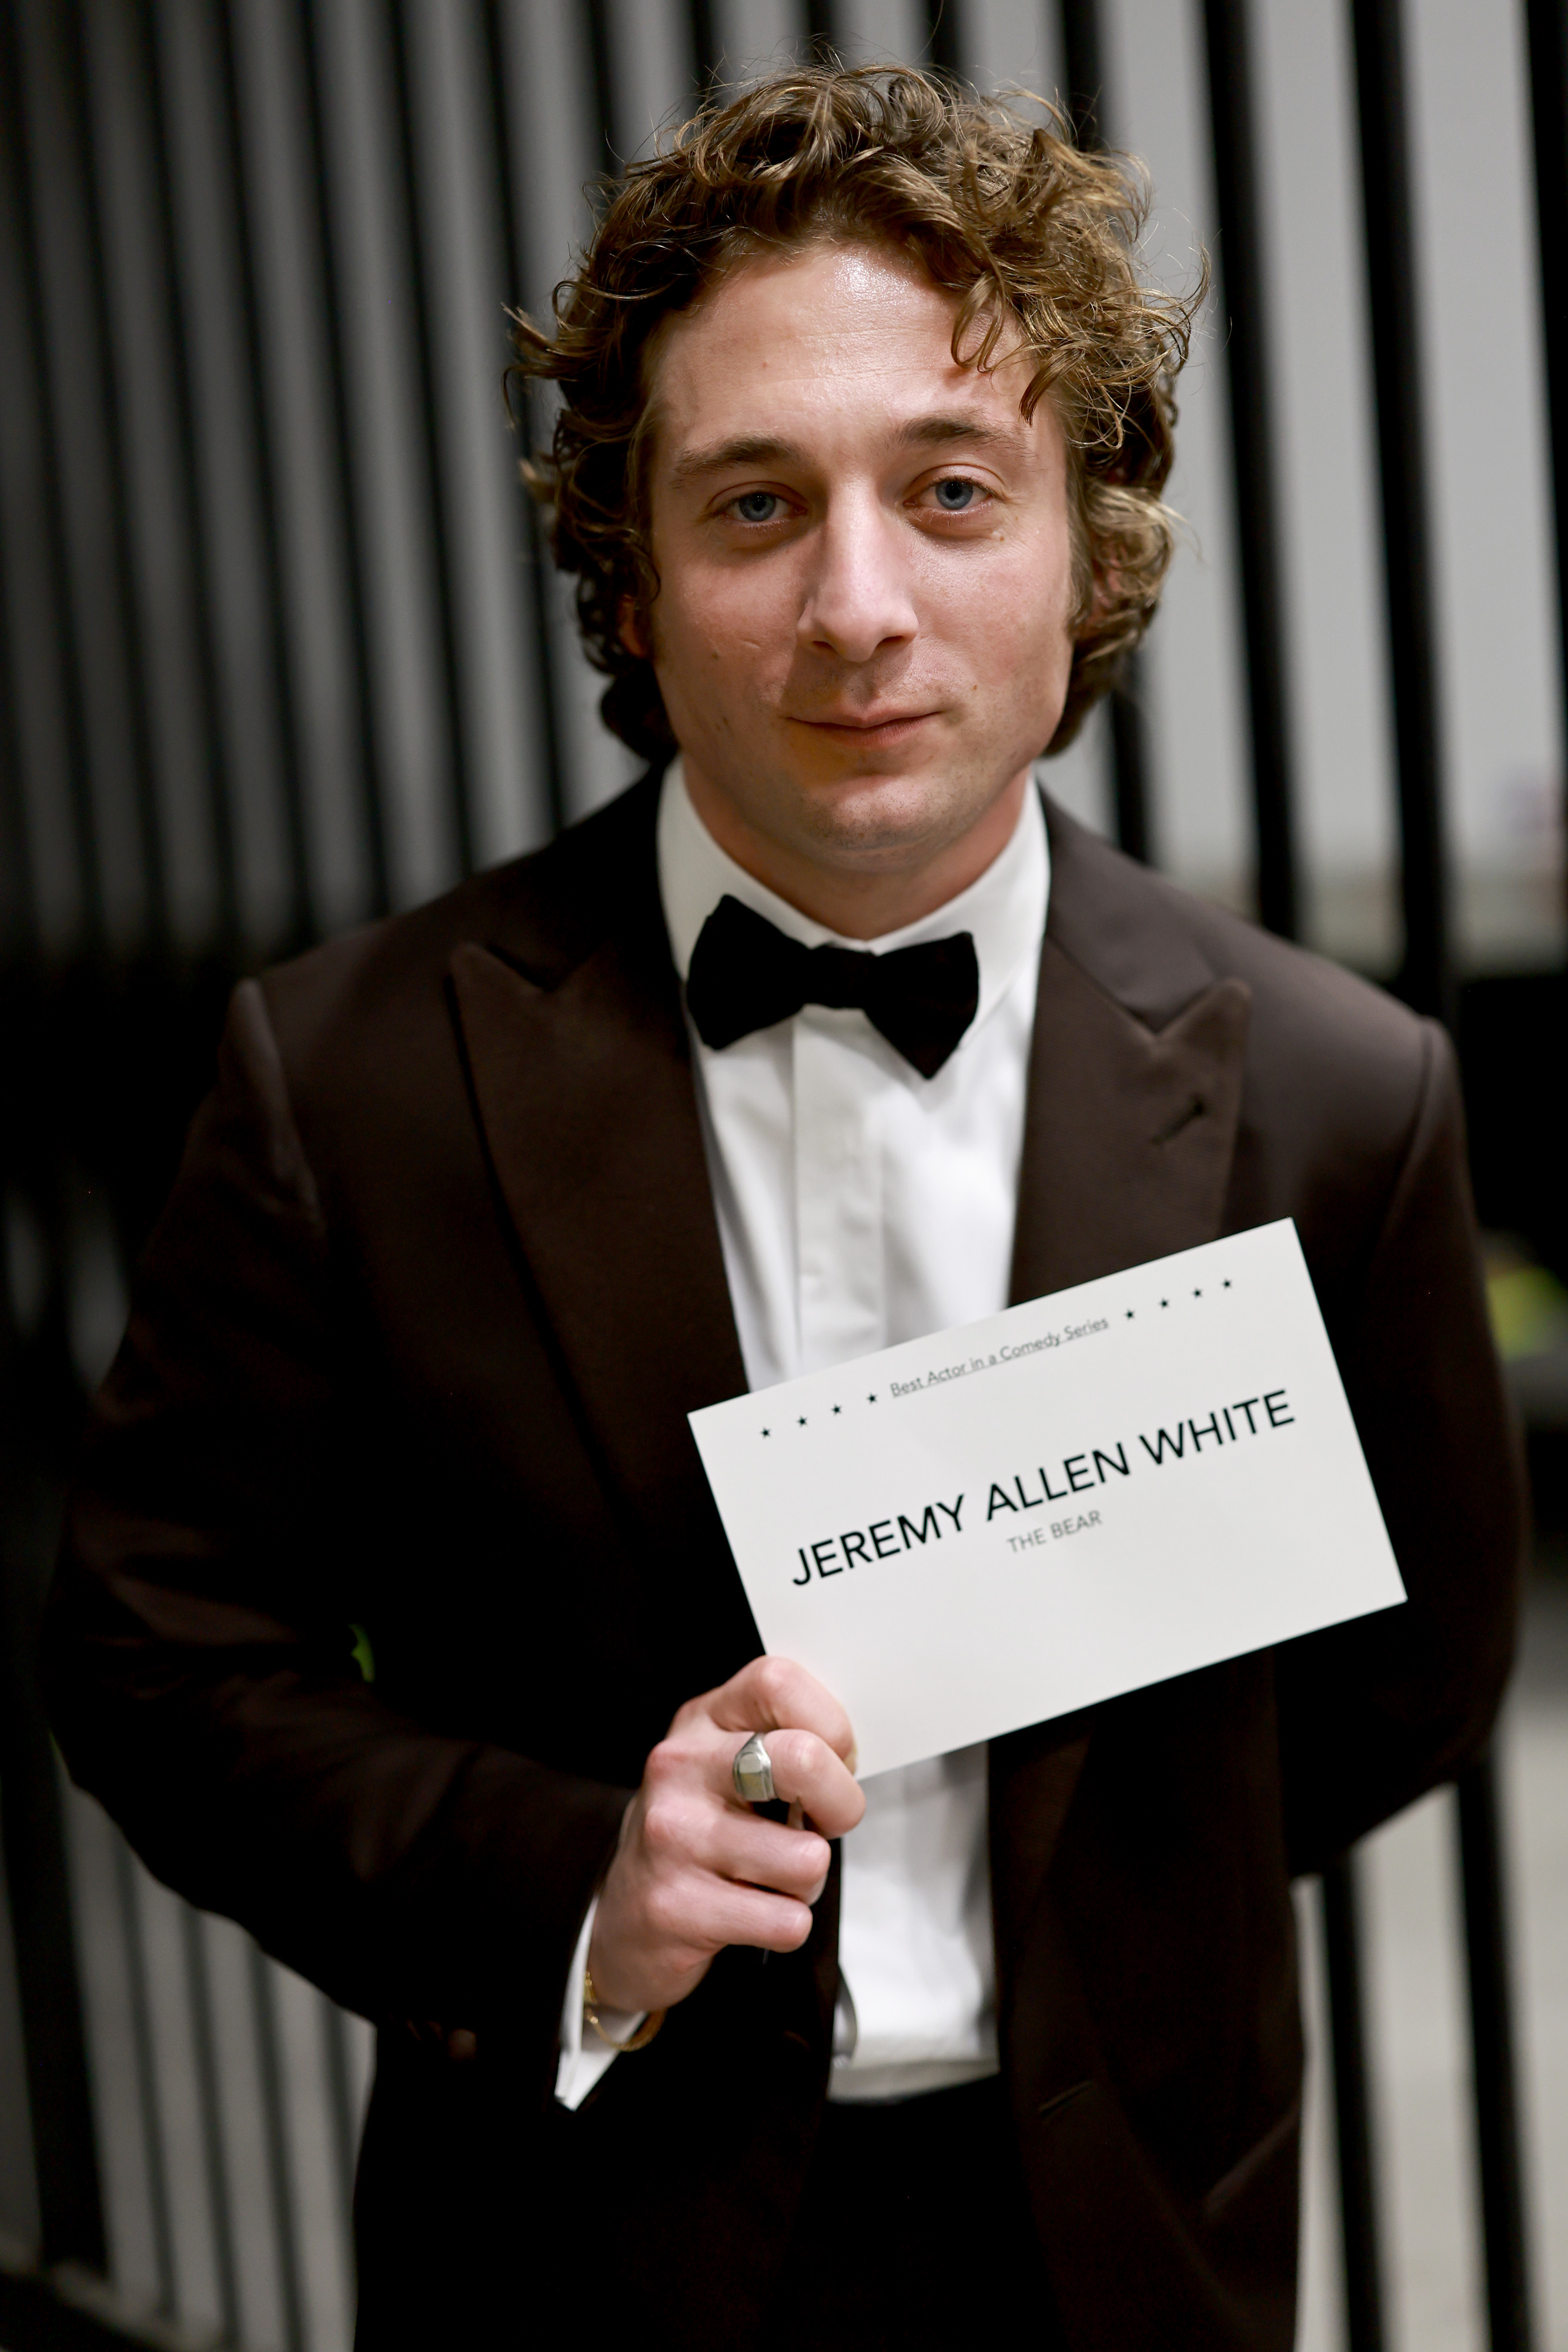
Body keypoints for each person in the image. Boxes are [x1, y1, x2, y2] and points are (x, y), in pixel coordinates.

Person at [44, 66, 1522, 2352]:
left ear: (1085, 547)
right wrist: (571, 1885)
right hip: (566, 2239)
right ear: (628, 580)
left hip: (1130, 2243)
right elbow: (148, 1654)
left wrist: (1128, 1907)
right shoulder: (344, 1080)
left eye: (949, 491)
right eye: (755, 506)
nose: (857, 607)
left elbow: (1402, 1679)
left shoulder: (1341, 1096)